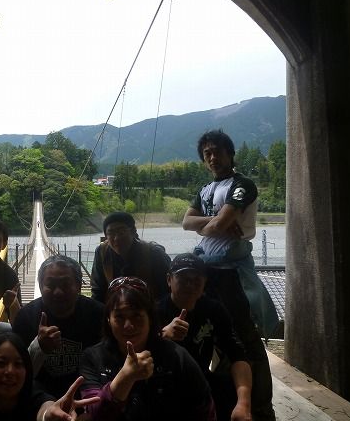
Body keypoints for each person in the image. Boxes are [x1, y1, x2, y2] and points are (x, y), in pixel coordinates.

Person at [183, 129, 278, 420]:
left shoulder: (242, 185)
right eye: (207, 154)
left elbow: (213, 224)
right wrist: (216, 221)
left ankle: (261, 407)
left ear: (230, 153)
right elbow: (187, 222)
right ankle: (223, 400)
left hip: (232, 275)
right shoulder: (205, 189)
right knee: (210, 336)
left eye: (218, 151)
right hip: (208, 273)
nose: (213, 157)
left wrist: (211, 224)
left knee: (245, 339)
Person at [80, 276, 216, 420]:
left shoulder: (176, 357)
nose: (128, 325)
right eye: (119, 317)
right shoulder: (92, 358)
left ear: (150, 318)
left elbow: (205, 409)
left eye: (137, 316)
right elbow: (94, 414)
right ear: (108, 319)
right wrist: (125, 377)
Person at [158, 253, 252, 421]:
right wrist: (163, 336)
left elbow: (237, 354)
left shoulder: (213, 310)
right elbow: (135, 353)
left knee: (226, 389)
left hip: (200, 382)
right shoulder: (154, 312)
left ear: (204, 283)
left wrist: (243, 403)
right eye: (183, 279)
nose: (190, 285)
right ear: (169, 280)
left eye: (196, 280)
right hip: (161, 386)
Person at [12, 254, 104, 398]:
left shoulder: (98, 315)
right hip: (39, 397)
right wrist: (39, 347)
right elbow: (16, 373)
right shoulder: (26, 317)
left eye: (65, 285)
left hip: (87, 394)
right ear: (40, 287)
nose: (58, 292)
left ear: (79, 286)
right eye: (50, 285)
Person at [91, 211, 171, 303]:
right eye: (111, 233)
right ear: (106, 236)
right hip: (116, 308)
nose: (116, 238)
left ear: (133, 231)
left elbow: (166, 290)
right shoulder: (102, 252)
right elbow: (98, 290)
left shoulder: (153, 253)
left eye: (121, 232)